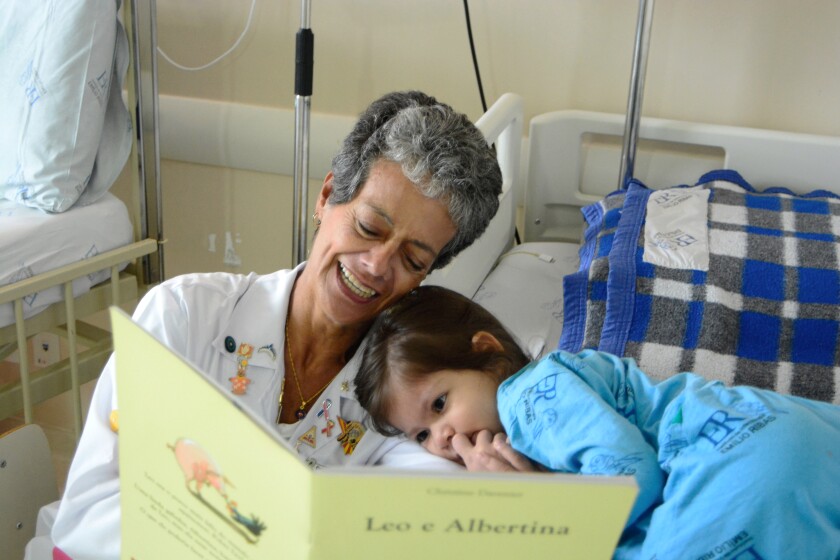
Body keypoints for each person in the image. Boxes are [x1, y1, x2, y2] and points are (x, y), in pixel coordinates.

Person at [40, 91, 502, 560]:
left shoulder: (399, 394)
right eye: (368, 227)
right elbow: (88, 515)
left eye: (412, 258)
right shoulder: (186, 314)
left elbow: (429, 508)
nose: (376, 265)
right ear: (326, 198)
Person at [355, 285, 840, 560]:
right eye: (420, 434)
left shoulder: (529, 396)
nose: (440, 438)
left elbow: (630, 479)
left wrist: (529, 505)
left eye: (439, 404)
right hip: (791, 436)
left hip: (729, 469)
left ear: (487, 352)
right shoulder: (566, 384)